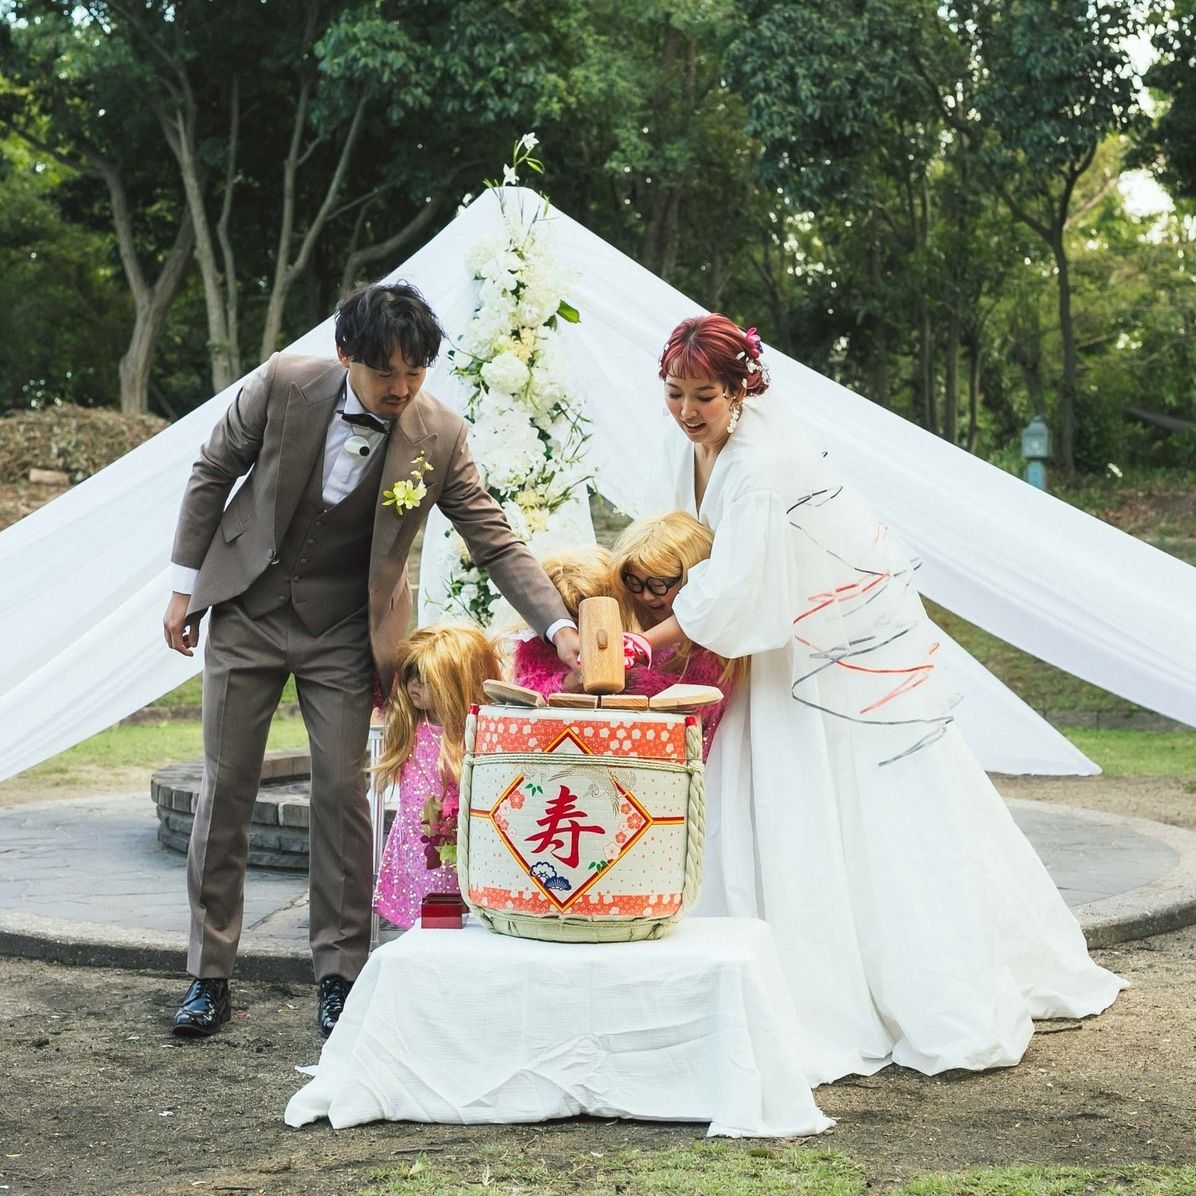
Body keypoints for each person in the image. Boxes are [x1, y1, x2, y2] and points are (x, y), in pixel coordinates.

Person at [630, 313, 1124, 1083]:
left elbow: (737, 584)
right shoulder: (681, 444)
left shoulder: (759, 465)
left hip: (799, 645)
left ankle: (857, 982)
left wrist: (651, 641)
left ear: (740, 390)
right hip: (749, 632)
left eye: (706, 396)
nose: (689, 412)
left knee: (830, 798)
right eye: (676, 394)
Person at [162, 282, 580, 1039]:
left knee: (343, 796)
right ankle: (208, 975)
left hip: (346, 633)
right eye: (386, 372)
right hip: (249, 609)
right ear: (345, 353)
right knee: (226, 789)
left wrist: (556, 626)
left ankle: (340, 975)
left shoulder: (440, 435)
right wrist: (183, 589)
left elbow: (493, 538)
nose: (401, 388)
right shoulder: (284, 384)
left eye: (415, 373)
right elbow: (211, 471)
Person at [373, 624, 501, 929]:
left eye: (427, 679)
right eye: (410, 675)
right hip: (417, 842)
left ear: (456, 683)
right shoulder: (410, 726)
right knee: (426, 905)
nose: (414, 685)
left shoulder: (478, 734)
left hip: (460, 844)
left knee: (458, 911)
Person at [609, 511, 743, 759]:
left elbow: (695, 705)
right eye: (635, 584)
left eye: (658, 584)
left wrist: (629, 681)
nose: (646, 596)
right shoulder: (653, 635)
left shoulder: (715, 648)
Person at [508, 545, 615, 697]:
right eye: (571, 617)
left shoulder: (627, 630)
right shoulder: (536, 641)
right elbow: (531, 690)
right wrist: (569, 683)